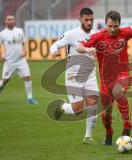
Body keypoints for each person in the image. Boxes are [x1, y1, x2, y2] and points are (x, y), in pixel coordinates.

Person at [77, 10, 132, 145]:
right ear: (105, 24)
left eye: (116, 26)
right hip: (105, 80)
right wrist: (87, 49)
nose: (113, 29)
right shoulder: (97, 37)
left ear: (119, 24)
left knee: (118, 90)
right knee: (107, 112)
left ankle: (127, 124)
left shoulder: (125, 32)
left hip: (123, 75)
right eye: (110, 26)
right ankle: (109, 132)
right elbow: (79, 47)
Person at [50, 8, 99, 144]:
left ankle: (88, 137)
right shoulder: (71, 34)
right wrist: (54, 52)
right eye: (86, 20)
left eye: (91, 20)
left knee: (93, 105)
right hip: (73, 75)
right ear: (80, 20)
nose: (89, 22)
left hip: (90, 75)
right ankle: (62, 107)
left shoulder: (96, 35)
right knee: (77, 110)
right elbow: (55, 45)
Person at [0, 15, 38, 105]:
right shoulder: (2, 34)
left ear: (14, 21)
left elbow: (24, 43)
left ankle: (30, 99)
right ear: (5, 22)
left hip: (21, 61)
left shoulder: (20, 31)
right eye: (9, 20)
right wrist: (1, 55)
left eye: (12, 19)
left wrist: (24, 51)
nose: (11, 21)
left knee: (28, 78)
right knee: (5, 80)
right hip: (9, 62)